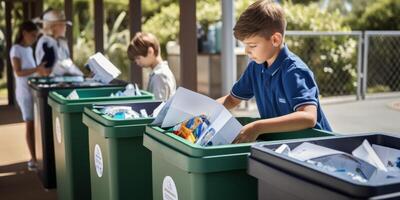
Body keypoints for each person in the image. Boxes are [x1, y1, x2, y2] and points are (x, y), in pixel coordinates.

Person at [217, 0, 332, 143]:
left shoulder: (294, 71)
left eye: (252, 45)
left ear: (275, 39)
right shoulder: (255, 67)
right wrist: (204, 113)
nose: (246, 51)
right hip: (283, 147)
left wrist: (257, 127)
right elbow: (232, 100)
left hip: (316, 148)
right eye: (245, 45)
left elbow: (308, 117)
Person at [10, 21, 49, 170]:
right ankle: (32, 158)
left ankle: (36, 156)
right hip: (24, 93)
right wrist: (37, 69)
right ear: (24, 33)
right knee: (30, 125)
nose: (34, 38)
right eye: (33, 35)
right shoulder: (16, 49)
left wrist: (39, 71)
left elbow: (32, 71)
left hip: (32, 91)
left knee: (34, 125)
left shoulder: (28, 49)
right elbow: (18, 72)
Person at [127, 32, 176, 101]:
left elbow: (157, 107)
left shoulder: (160, 75)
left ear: (150, 51)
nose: (137, 62)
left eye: (138, 58)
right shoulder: (158, 73)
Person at [35, 9, 83, 76]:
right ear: (53, 27)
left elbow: (68, 64)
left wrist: (81, 75)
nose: (65, 27)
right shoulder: (45, 42)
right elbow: (47, 68)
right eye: (62, 24)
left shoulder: (61, 42)